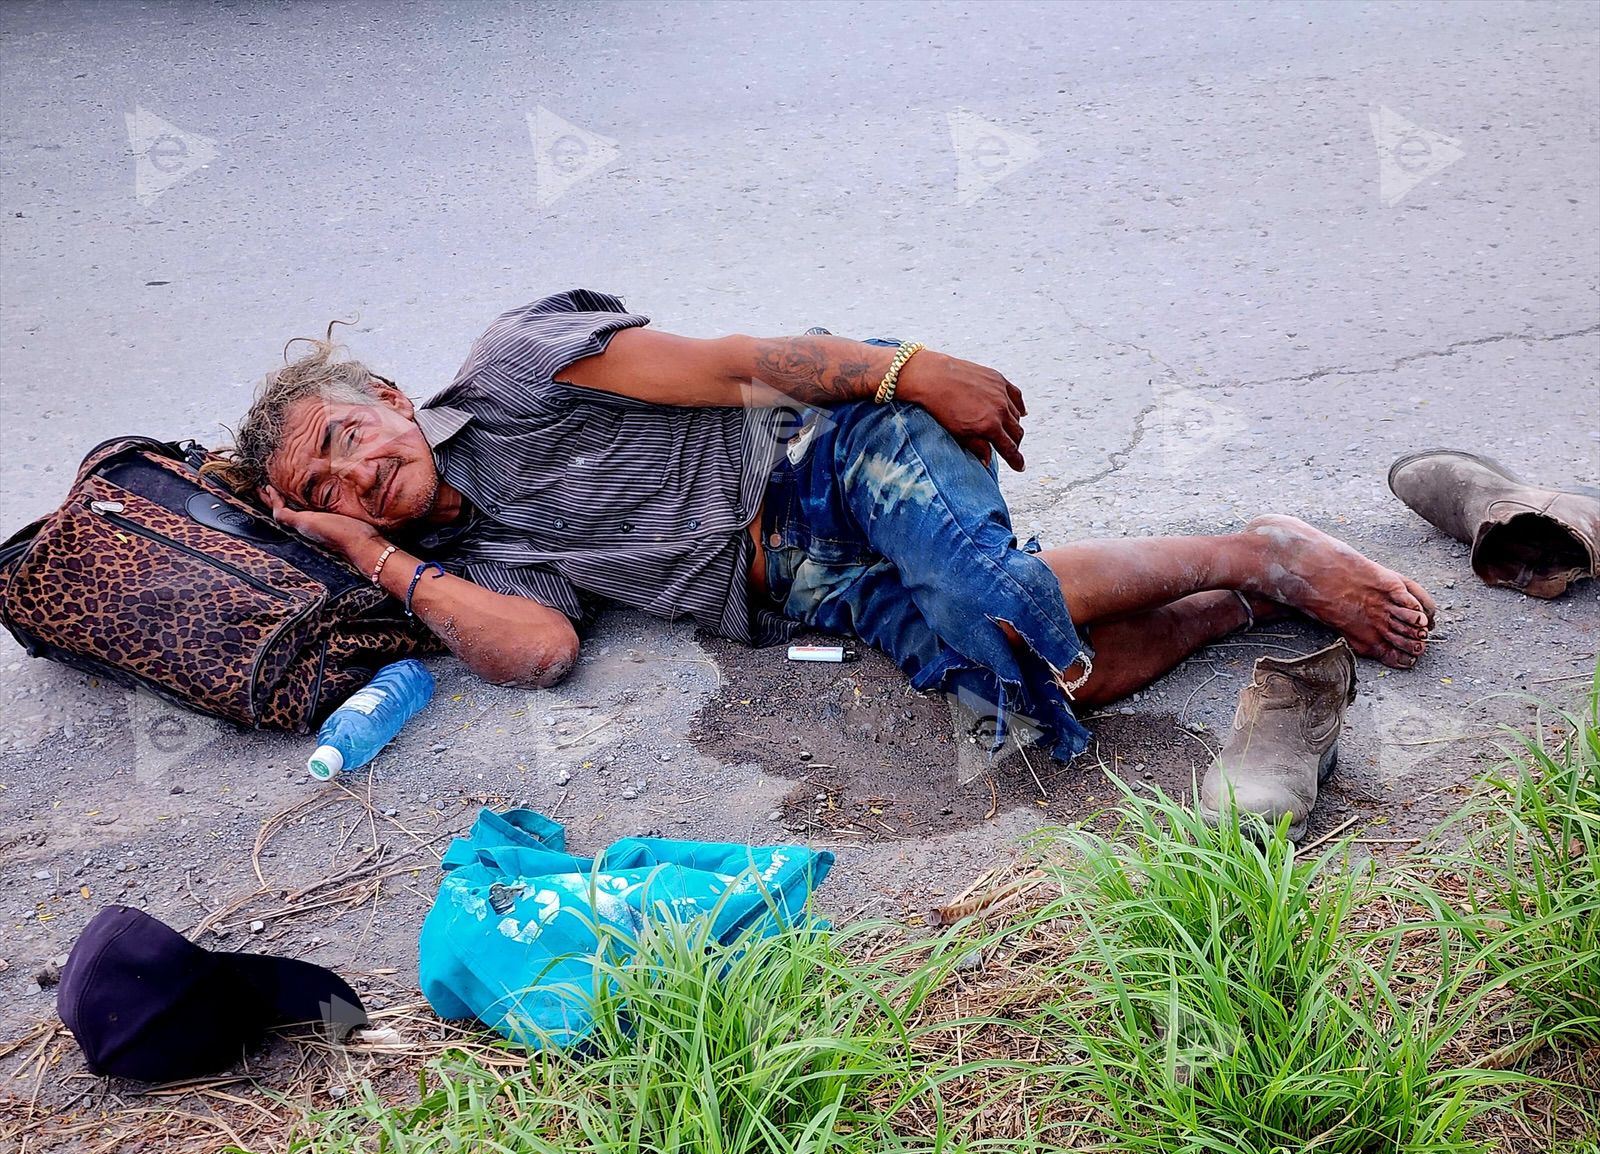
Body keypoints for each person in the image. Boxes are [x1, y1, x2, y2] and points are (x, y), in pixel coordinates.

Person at [206, 290, 1435, 762]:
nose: (356, 481)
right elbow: (538, 655)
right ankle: (1243, 604)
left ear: (381, 401)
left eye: (343, 445)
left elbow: (733, 360)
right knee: (1027, 695)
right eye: (324, 496)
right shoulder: (473, 564)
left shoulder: (517, 368)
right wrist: (375, 562)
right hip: (803, 594)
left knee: (999, 601)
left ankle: (1258, 545)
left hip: (833, 458)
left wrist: (904, 369)